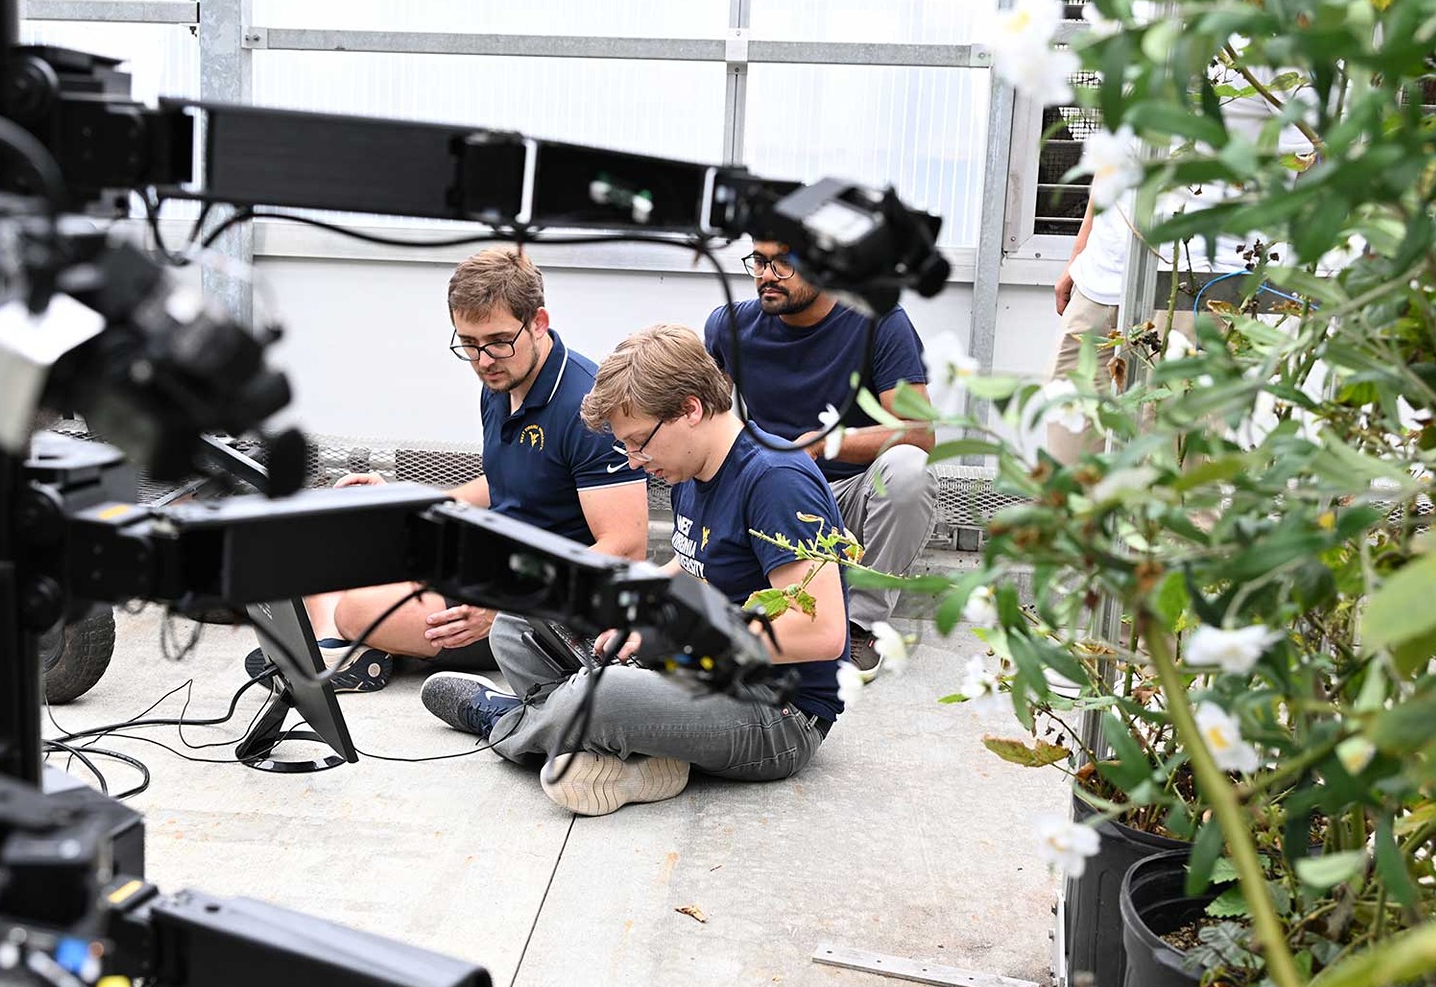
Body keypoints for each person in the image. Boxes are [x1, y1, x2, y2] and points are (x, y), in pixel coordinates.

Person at [420, 324, 849, 817]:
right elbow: (697, 566)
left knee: (605, 692)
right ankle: (631, 754)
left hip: (776, 713)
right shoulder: (692, 468)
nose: (634, 461)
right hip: (701, 676)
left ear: (690, 408)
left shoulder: (777, 480)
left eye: (639, 443)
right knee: (519, 625)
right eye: (626, 447)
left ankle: (508, 722)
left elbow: (822, 632)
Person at [264, 246, 650, 691]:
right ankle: (343, 650)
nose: (484, 360)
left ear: (539, 323)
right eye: (468, 344)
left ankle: (337, 648)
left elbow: (625, 548)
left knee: (359, 606)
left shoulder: (587, 407)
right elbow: (509, 480)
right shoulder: (501, 381)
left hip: (538, 604)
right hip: (483, 562)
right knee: (333, 535)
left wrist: (506, 608)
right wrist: (404, 499)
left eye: (498, 341)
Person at [1045, 0, 1315, 462]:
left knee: (1174, 492)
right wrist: (1084, 248)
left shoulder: (1275, 16)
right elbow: (1117, 141)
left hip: (1200, 288)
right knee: (1068, 474)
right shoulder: (1146, 4)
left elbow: (1312, 158)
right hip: (1107, 278)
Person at [703, 239, 937, 673]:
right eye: (759, 260)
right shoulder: (729, 328)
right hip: (771, 498)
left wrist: (823, 442)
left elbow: (918, 432)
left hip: (849, 498)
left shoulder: (878, 321)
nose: (766, 275)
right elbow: (703, 424)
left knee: (910, 470)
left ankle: (859, 626)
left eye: (785, 263)